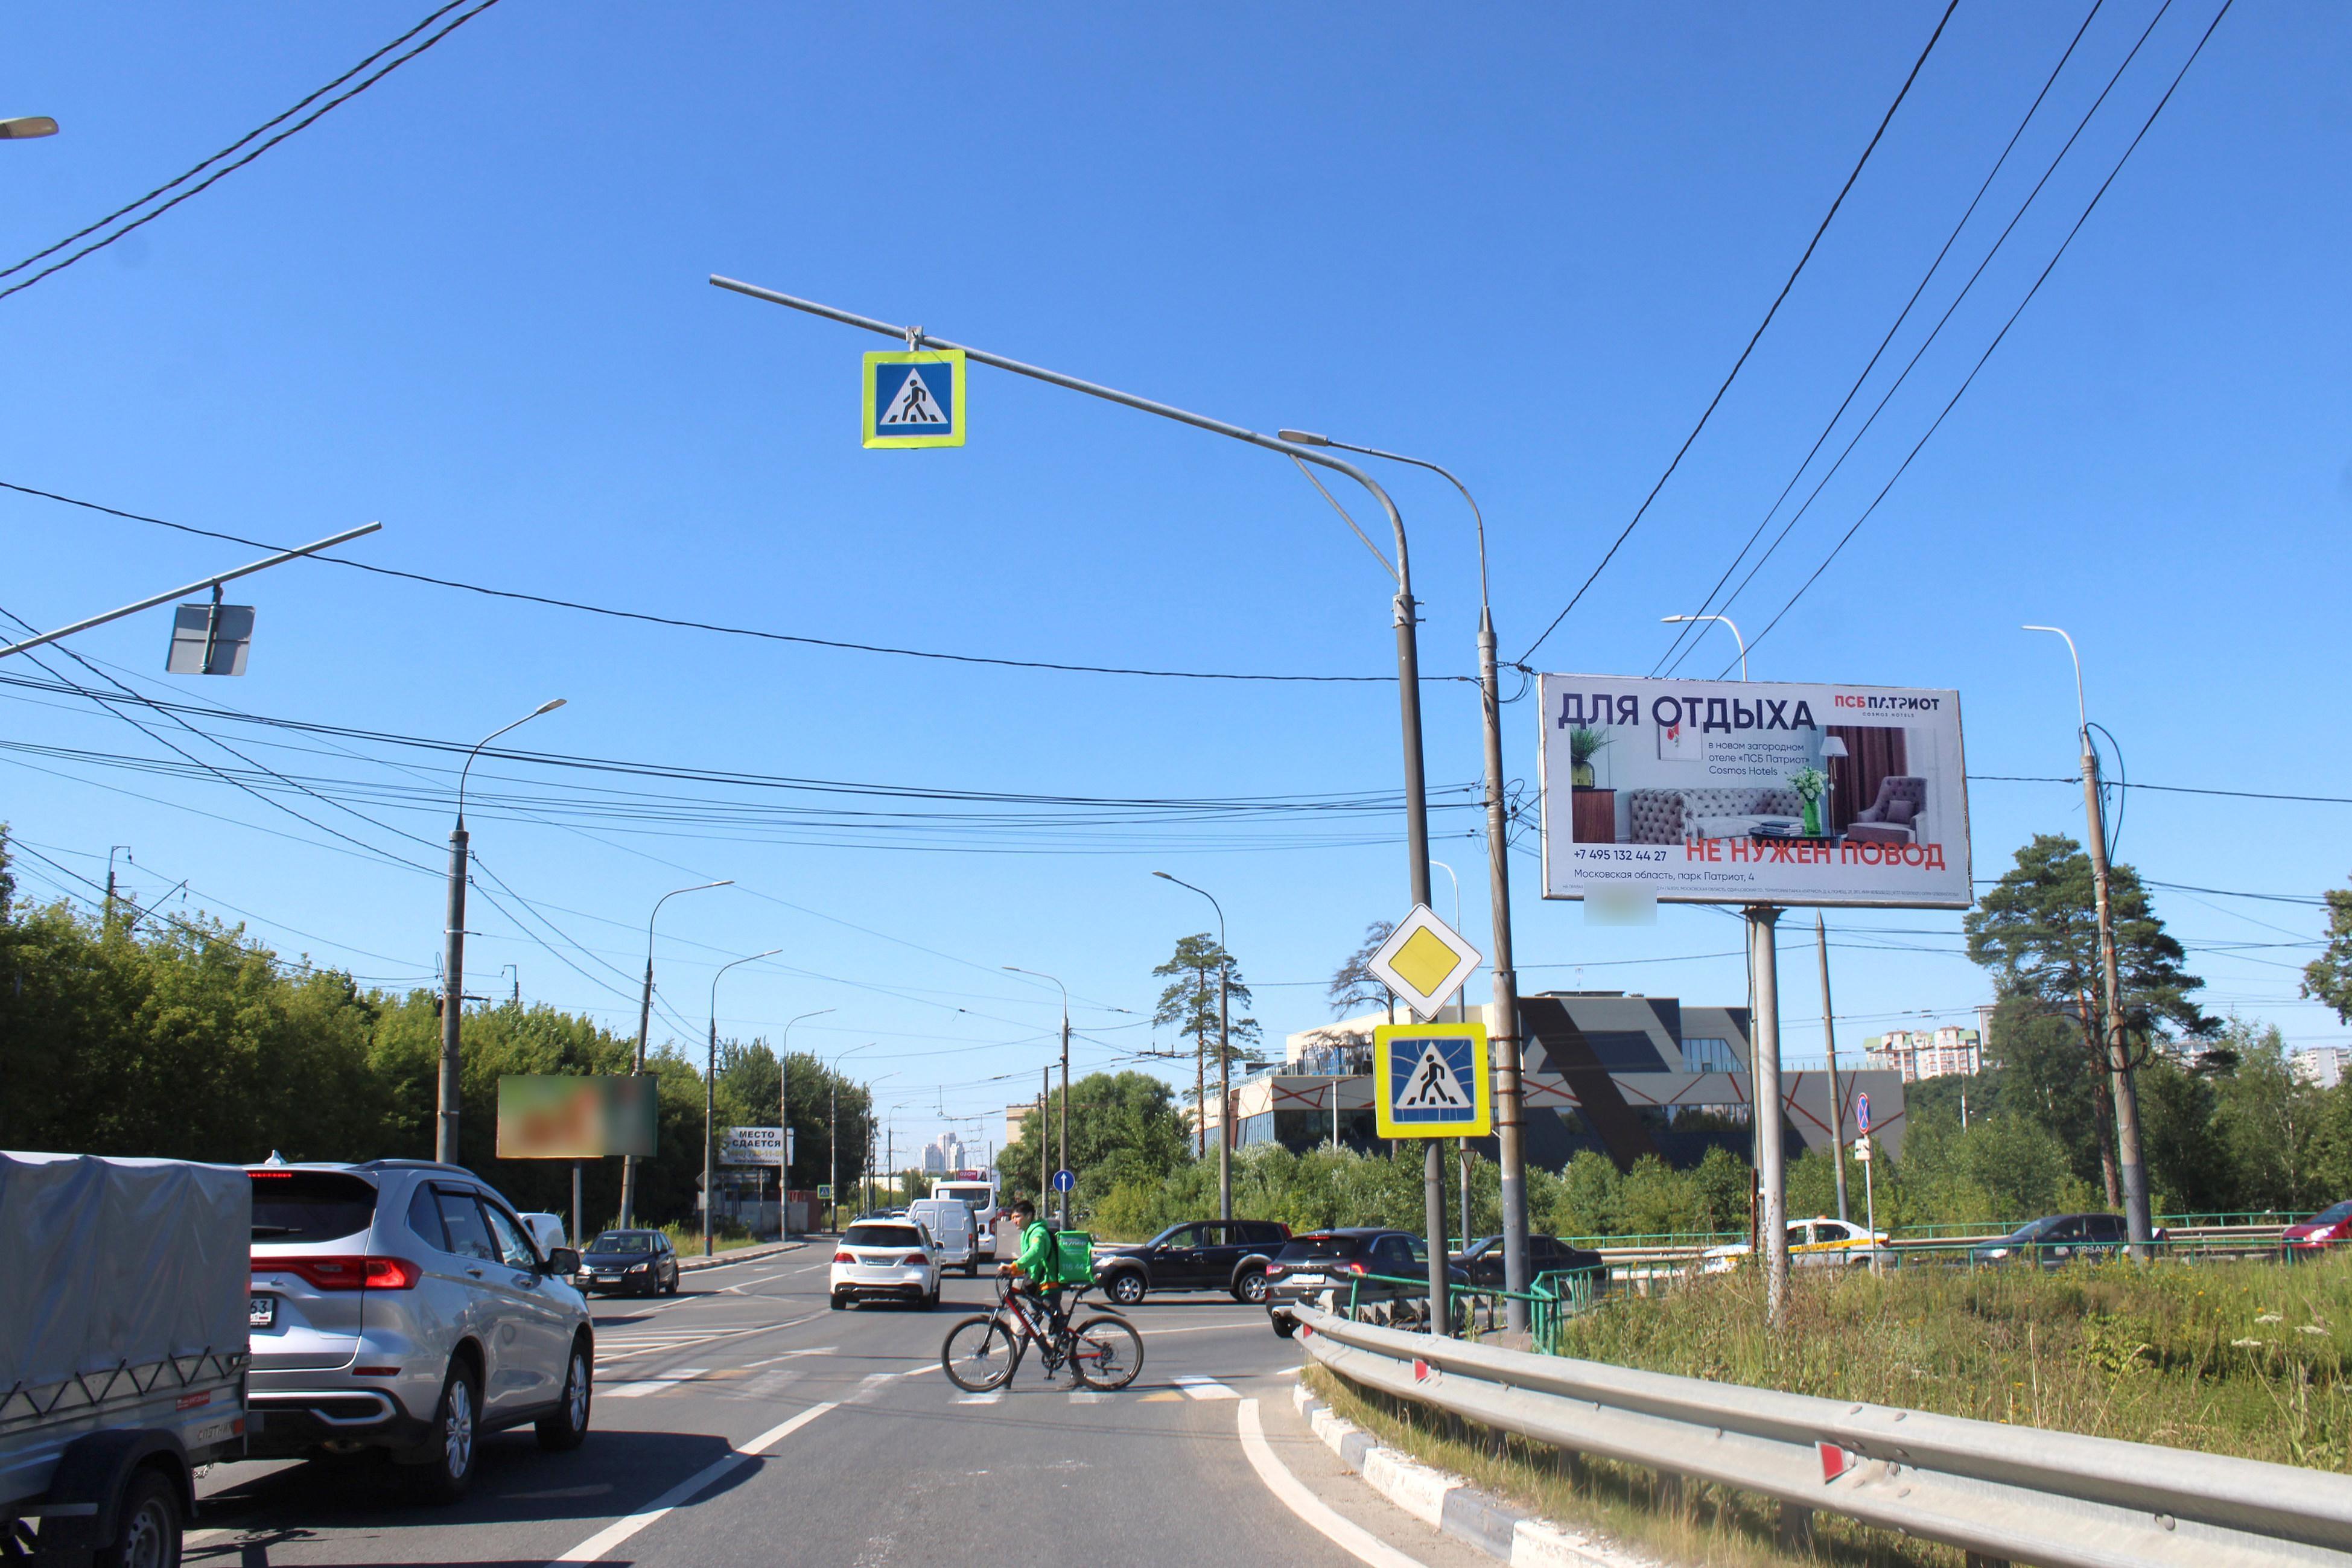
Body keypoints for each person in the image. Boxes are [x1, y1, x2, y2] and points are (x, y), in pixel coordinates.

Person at [999, 1197, 1070, 1366]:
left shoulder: (1038, 1233)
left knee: (1059, 1332)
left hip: (1049, 1289)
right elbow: (1032, 1263)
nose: (1013, 1220)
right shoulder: (1027, 1233)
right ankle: (1009, 1375)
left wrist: (1015, 1266)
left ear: (1029, 1216)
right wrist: (1014, 1271)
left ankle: (1076, 1372)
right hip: (1039, 1291)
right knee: (1026, 1332)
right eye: (1012, 1217)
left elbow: (1036, 1253)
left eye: (1017, 1217)